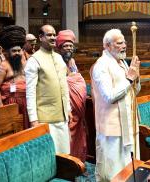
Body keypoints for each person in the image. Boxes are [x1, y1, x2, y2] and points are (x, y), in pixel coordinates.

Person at [91, 28, 141, 181]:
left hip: (128, 123)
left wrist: (136, 77)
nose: (124, 45)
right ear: (107, 45)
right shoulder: (101, 65)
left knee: (128, 166)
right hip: (112, 128)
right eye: (119, 43)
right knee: (113, 170)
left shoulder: (123, 63)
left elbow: (134, 92)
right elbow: (109, 96)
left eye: (125, 42)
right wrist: (130, 79)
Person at [25, 25, 71, 154]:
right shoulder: (34, 60)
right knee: (49, 156)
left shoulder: (58, 57)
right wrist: (33, 119)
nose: (53, 37)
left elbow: (64, 86)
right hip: (44, 118)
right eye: (49, 35)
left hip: (62, 116)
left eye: (54, 35)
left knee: (64, 154)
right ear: (41, 37)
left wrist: (68, 109)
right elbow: (30, 92)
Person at [56, 29, 87, 162]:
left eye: (70, 46)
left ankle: (78, 159)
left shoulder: (72, 61)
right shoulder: (56, 61)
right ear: (59, 48)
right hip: (64, 106)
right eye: (65, 46)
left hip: (77, 109)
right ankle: (68, 162)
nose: (68, 48)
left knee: (77, 135)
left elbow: (77, 80)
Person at [0, 25, 29, 129]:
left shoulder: (25, 63)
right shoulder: (3, 66)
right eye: (14, 51)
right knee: (14, 128)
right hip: (11, 103)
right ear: (8, 52)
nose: (17, 53)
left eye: (19, 51)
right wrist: (1, 107)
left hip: (26, 101)